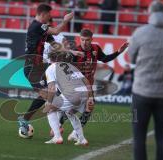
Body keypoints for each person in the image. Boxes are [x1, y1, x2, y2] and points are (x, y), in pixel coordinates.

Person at [128, 1, 163, 160]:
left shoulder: (140, 32)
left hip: (141, 92)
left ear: (150, 13)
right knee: (162, 137)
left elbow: (131, 57)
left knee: (139, 138)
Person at [58, 29, 128, 141]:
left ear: (92, 39)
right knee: (72, 109)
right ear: (79, 39)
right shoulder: (75, 51)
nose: (84, 42)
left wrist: (119, 51)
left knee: (89, 107)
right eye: (82, 40)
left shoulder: (95, 48)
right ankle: (60, 125)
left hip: (88, 86)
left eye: (87, 40)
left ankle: (75, 132)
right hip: (75, 86)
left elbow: (105, 59)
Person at [17, 3, 74, 137]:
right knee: (48, 95)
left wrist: (71, 51)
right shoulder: (35, 27)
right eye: (49, 15)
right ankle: (54, 126)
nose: (50, 17)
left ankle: (27, 119)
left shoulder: (42, 27)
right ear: (43, 14)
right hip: (32, 68)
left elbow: (55, 44)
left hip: (40, 67)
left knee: (50, 94)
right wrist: (66, 20)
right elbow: (56, 31)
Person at [44, 51, 93, 145]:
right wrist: (90, 97)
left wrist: (49, 102)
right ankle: (82, 139)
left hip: (72, 94)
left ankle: (57, 137)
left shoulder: (51, 68)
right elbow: (86, 81)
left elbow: (52, 88)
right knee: (69, 112)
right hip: (84, 94)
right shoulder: (71, 66)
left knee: (49, 109)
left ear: (50, 60)